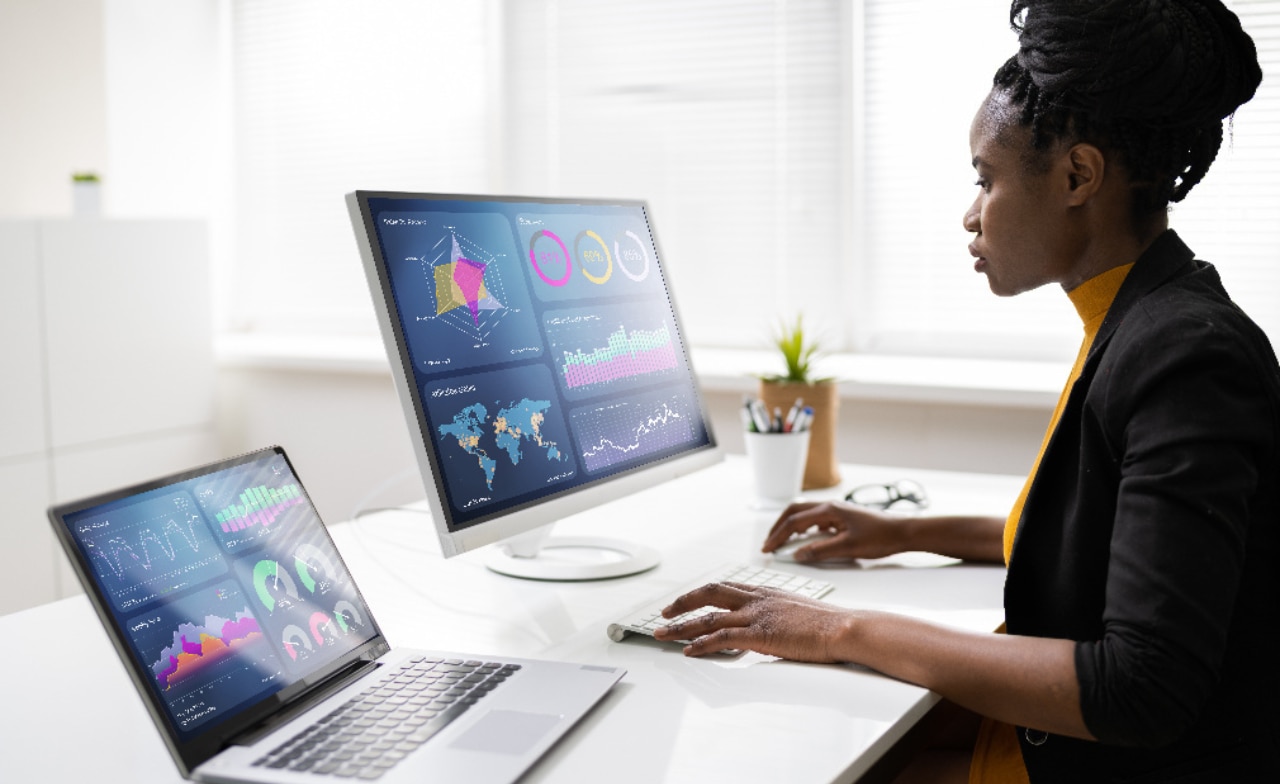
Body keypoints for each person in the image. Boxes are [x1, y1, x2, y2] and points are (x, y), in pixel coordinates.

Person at [653, 1, 1279, 781]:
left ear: (1078, 176)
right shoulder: (1142, 315)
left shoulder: (1188, 358)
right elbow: (1101, 537)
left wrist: (838, 628)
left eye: (987, 180)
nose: (971, 215)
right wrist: (905, 533)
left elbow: (1142, 687)